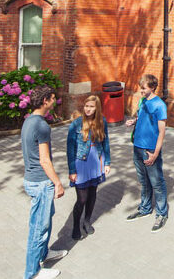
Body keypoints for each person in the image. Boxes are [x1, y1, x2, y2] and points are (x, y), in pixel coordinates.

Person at [21, 86, 67, 279]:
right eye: (53, 98)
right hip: (41, 182)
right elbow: (44, 160)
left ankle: (44, 254)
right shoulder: (41, 126)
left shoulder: (29, 121)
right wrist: (57, 182)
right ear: (45, 100)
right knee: (39, 228)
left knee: (45, 220)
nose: (55, 101)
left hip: (33, 180)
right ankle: (32, 273)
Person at [125, 74, 169, 232]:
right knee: (143, 181)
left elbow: (162, 131)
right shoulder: (143, 101)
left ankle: (162, 213)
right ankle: (145, 209)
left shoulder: (160, 105)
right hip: (137, 146)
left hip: (150, 149)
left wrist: (155, 153)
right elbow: (139, 116)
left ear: (152, 87)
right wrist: (133, 121)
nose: (141, 90)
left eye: (143, 88)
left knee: (157, 183)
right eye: (140, 87)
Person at [66, 95, 111, 240]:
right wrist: (72, 170)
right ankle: (75, 226)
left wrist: (107, 162)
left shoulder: (102, 121)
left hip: (96, 160)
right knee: (82, 199)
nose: (88, 109)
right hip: (81, 162)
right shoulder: (76, 124)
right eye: (86, 106)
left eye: (91, 106)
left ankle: (87, 221)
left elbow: (106, 143)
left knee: (92, 194)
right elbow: (70, 148)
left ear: (96, 108)